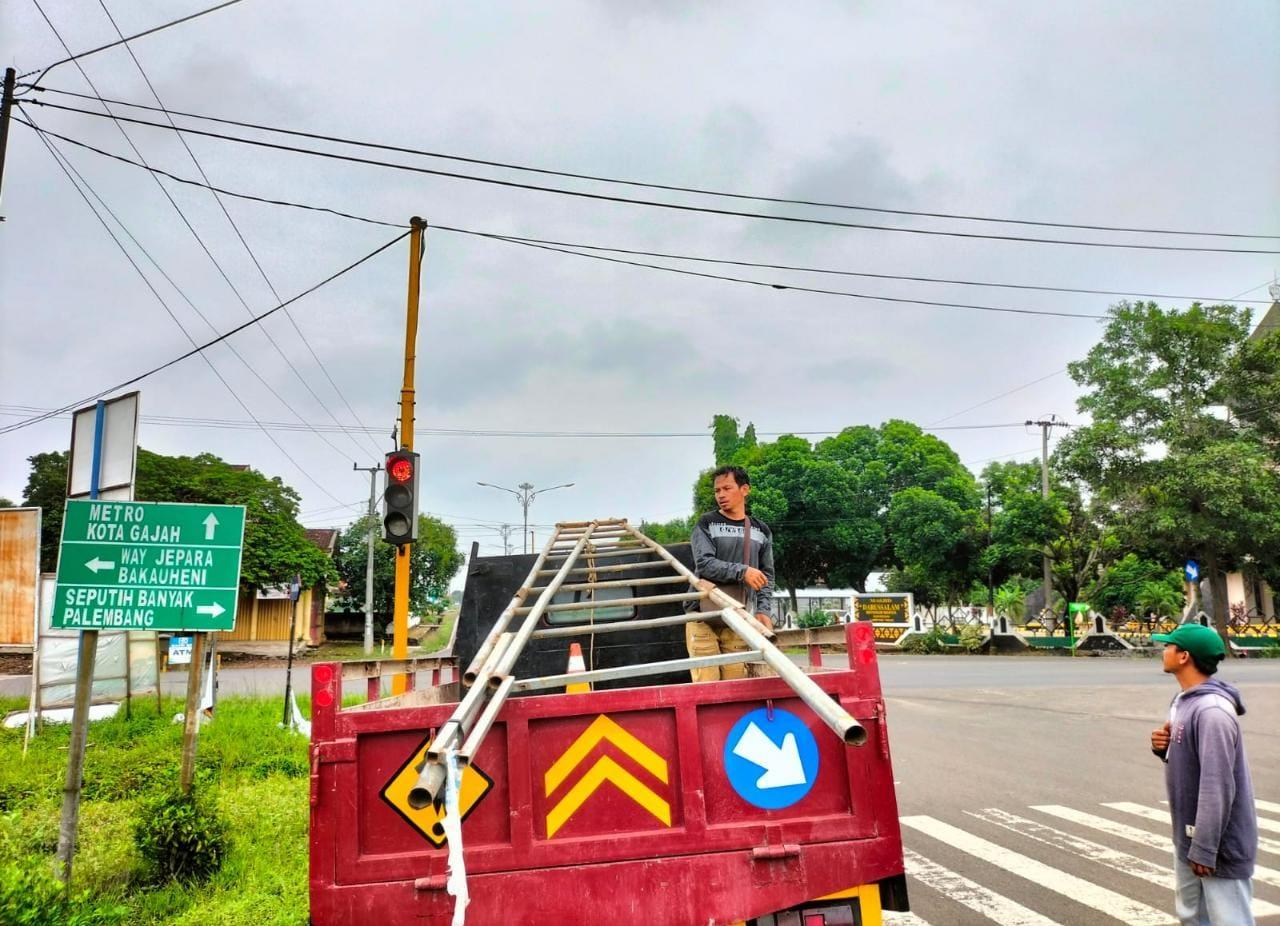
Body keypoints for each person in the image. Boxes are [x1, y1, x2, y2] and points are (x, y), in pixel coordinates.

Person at [1149, 623, 1258, 926]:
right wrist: (1163, 749)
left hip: (1217, 843)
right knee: (1192, 916)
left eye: (1168, 646)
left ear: (1184, 656)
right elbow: (1191, 763)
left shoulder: (1212, 712)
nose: (1163, 650)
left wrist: (1206, 849)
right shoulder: (1183, 702)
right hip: (1190, 836)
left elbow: (1217, 785)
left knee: (1230, 919)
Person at [685, 465, 775, 682]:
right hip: (702, 615)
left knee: (736, 682)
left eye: (727, 488)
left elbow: (767, 574)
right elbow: (704, 564)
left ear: (745, 489)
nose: (721, 495)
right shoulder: (707, 523)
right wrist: (742, 571)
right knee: (707, 683)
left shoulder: (761, 530)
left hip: (738, 614)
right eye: (717, 491)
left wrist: (763, 609)